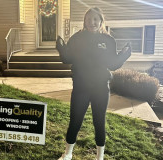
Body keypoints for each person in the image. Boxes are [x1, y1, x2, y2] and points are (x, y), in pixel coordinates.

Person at [56, 7, 131, 160]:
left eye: (95, 19)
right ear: (84, 21)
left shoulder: (108, 40)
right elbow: (67, 59)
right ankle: (68, 153)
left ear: (101, 21)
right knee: (75, 121)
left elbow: (112, 64)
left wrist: (124, 56)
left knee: (99, 122)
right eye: (89, 19)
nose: (92, 22)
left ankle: (99, 157)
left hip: (100, 88)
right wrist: (61, 48)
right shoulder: (77, 38)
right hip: (80, 88)